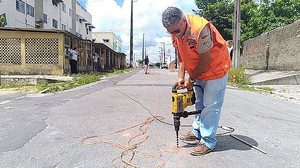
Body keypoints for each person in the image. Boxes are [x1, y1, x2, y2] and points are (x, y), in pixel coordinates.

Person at [162, 6, 231, 156]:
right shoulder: (175, 31)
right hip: (198, 70)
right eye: (169, 32)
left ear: (182, 21)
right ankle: (197, 131)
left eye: (175, 31)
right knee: (199, 103)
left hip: (215, 68)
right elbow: (181, 54)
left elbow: (205, 60)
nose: (172, 34)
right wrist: (181, 77)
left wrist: (191, 79)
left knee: (210, 106)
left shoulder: (200, 28)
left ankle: (207, 141)